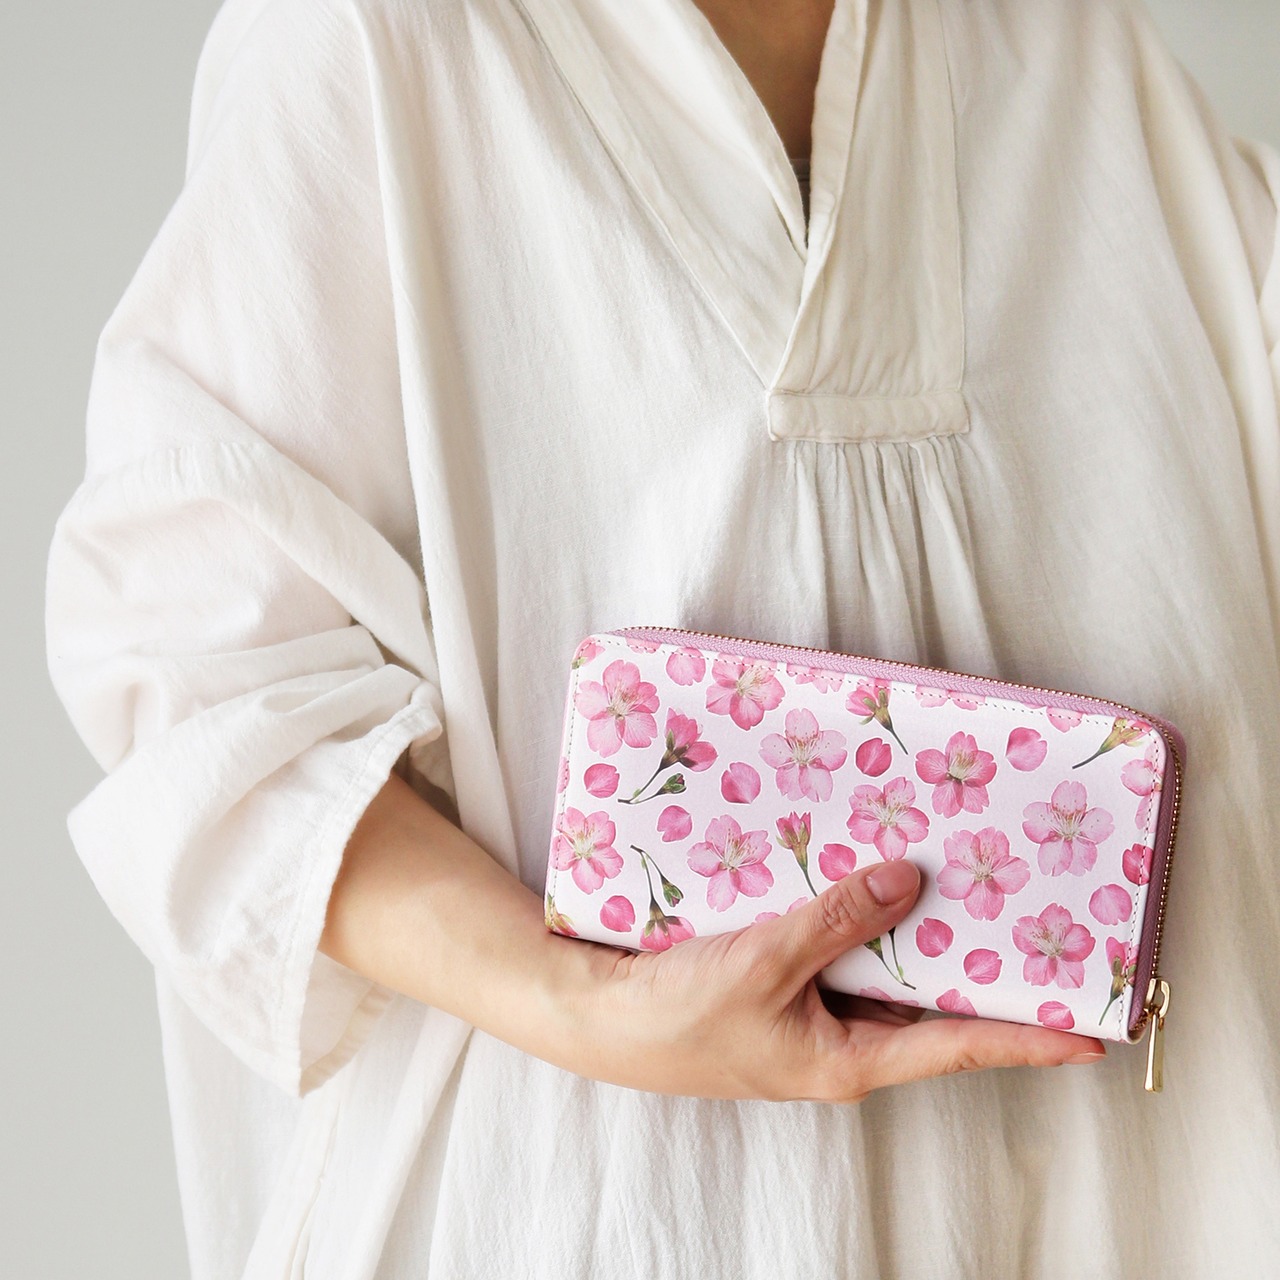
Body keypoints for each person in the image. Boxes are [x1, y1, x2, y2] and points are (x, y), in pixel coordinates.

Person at [43, 0, 1280, 1275]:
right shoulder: (376, 44)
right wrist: (592, 1002)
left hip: (1097, 1202)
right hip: (594, 1207)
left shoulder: (1083, 66)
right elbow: (197, 668)